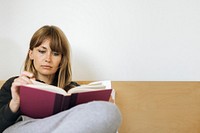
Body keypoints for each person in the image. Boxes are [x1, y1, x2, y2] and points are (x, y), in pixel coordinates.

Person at [0, 25, 121, 133]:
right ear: (31, 54)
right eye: (42, 51)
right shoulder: (15, 84)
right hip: (27, 127)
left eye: (56, 54)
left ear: (62, 59)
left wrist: (103, 105)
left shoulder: (74, 90)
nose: (48, 59)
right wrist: (14, 103)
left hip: (65, 127)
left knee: (109, 111)